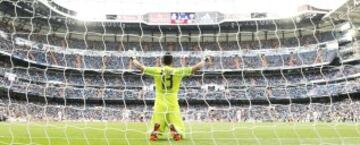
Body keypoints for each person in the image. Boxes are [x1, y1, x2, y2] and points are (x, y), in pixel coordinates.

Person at [130, 52, 210, 141]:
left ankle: (155, 132)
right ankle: (176, 131)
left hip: (160, 99)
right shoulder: (178, 71)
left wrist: (133, 58)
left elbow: (140, 66)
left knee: (158, 118)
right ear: (172, 62)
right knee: (176, 120)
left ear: (162, 61)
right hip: (172, 100)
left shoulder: (156, 70)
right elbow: (196, 68)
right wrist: (205, 60)